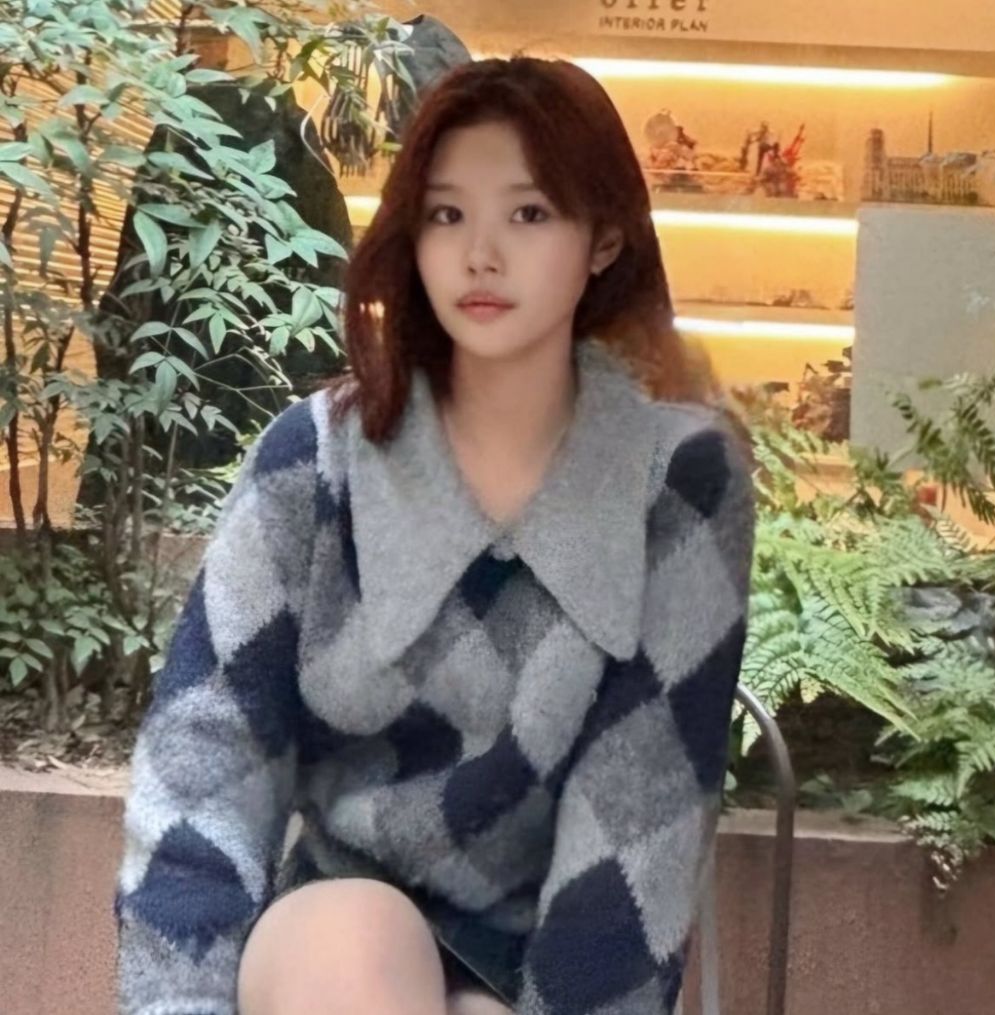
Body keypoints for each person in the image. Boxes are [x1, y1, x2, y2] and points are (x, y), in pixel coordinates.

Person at [114, 56, 755, 1015]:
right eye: (447, 214)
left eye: (528, 214)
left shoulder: (678, 484)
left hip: (528, 965)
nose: (480, 254)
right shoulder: (314, 461)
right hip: (329, 943)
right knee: (361, 938)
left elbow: (639, 834)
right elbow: (203, 763)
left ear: (605, 239)